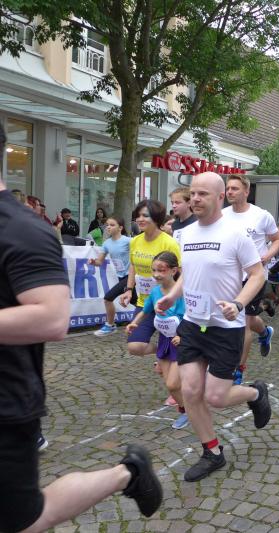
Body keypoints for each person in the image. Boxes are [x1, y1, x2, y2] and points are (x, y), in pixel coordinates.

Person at [0, 122, 162, 532]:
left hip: (6, 403)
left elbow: (53, 317)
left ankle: (127, 473)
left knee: (25, 520)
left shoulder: (22, 229)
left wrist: (136, 291)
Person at [156, 172, 272, 481]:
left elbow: (257, 275)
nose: (195, 199)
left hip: (225, 328)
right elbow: (188, 274)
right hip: (193, 325)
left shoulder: (236, 235)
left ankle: (255, 393)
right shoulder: (185, 234)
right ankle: (212, 452)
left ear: (220, 197)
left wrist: (238, 303)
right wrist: (172, 296)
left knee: (216, 397)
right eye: (193, 193)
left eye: (203, 194)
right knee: (190, 390)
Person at [222, 175, 279, 384]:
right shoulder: (221, 215)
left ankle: (238, 370)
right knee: (245, 317)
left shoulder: (261, 215)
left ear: (246, 191)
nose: (230, 192)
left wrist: (268, 255)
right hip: (230, 275)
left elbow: (277, 239)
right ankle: (265, 332)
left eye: (235, 188)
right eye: (228, 188)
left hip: (254, 276)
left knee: (243, 322)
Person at [126, 252, 189, 430]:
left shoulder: (182, 293)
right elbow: (145, 310)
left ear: (173, 271)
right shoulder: (155, 292)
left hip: (181, 342)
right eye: (154, 270)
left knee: (173, 384)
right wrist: (134, 323)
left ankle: (190, 409)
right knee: (171, 386)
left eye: (161, 270)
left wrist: (182, 335)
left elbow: (189, 317)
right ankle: (186, 409)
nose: (156, 274)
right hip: (164, 341)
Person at [120, 200, 181, 357]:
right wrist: (129, 289)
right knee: (135, 347)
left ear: (156, 218)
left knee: (176, 344)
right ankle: (161, 349)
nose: (140, 219)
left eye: (145, 216)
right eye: (138, 216)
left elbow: (180, 272)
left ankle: (170, 356)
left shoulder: (169, 243)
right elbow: (133, 265)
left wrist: (175, 296)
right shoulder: (135, 241)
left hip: (168, 302)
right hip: (145, 301)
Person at [91, 216, 132, 336]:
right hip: (121, 277)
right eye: (107, 225)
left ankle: (110, 325)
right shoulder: (107, 243)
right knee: (137, 302)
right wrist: (94, 262)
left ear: (120, 228)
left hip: (130, 276)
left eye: (112, 225)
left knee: (108, 298)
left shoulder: (128, 241)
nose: (108, 227)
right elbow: (99, 262)